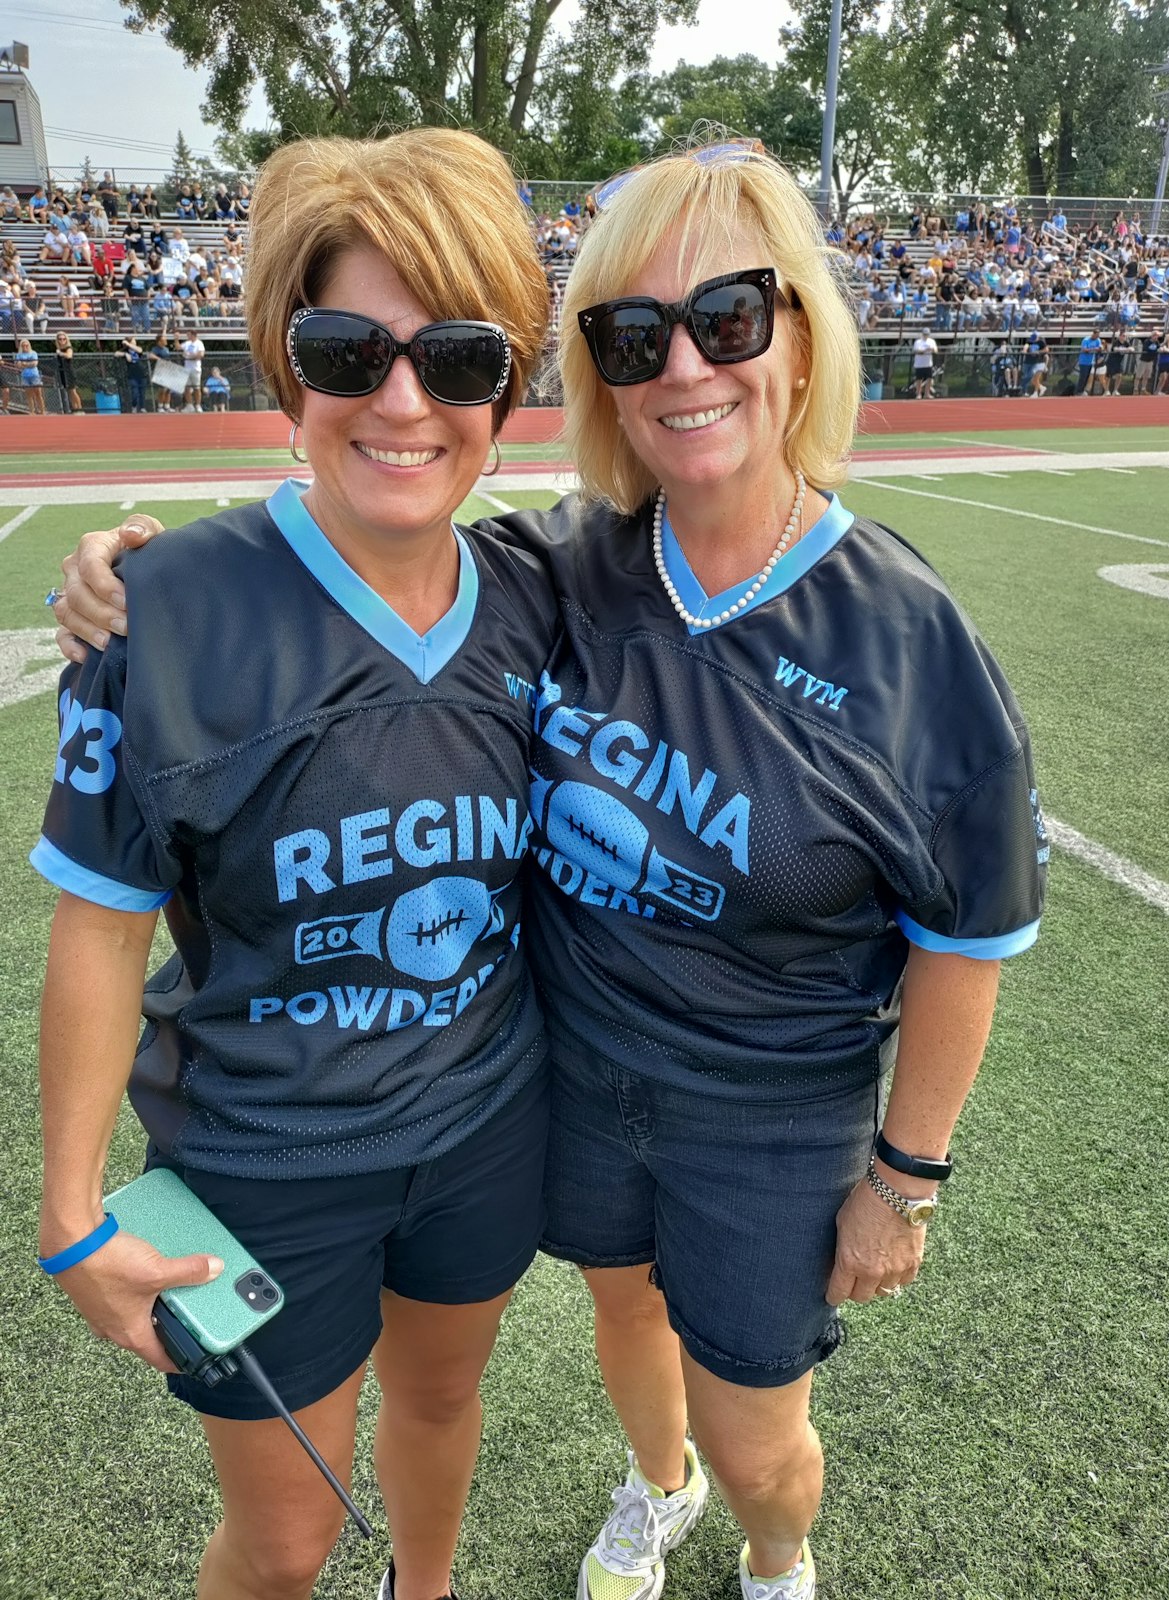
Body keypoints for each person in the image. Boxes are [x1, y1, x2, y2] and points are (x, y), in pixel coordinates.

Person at [54, 139, 1047, 1600]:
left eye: (730, 318)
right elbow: (114, 900)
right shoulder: (550, 572)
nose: (685, 365)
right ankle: (657, 1485)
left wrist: (904, 1176)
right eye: (633, 333)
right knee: (366, 1485)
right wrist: (127, 583)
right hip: (437, 1115)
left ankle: (747, 1555)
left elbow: (969, 929)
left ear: (802, 333)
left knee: (664, 1423)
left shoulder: (837, 628)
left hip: (662, 1119)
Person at [35, 128, 551, 1600]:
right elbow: (100, 926)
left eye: (457, 360)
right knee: (284, 1541)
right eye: (348, 348)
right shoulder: (166, 610)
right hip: (264, 1161)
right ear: (284, 364)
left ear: (505, 391)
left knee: (443, 1405)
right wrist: (72, 1211)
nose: (403, 401)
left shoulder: (541, 589)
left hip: (481, 1122)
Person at [13, 337, 45, 413]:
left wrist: (24, 364)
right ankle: (32, 411)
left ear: (29, 345)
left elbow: (34, 364)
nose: (25, 347)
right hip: (25, 376)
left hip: (34, 375)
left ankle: (42, 411)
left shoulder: (33, 353)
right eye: (23, 345)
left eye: (26, 345)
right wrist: (27, 364)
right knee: (29, 395)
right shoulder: (19, 355)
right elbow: (18, 365)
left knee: (38, 394)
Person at [54, 332, 83, 414]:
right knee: (69, 392)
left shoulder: (68, 348)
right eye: (60, 339)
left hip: (69, 372)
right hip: (63, 372)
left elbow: (69, 355)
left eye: (64, 339)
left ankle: (80, 409)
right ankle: (75, 409)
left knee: (73, 391)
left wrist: (61, 353)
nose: (62, 340)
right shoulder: (59, 349)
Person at [121, 337, 149, 413]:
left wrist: (128, 344)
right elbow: (116, 354)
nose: (135, 342)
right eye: (134, 341)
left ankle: (142, 407)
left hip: (142, 374)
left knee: (142, 392)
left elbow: (140, 350)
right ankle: (134, 406)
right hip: (132, 375)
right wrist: (125, 354)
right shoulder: (126, 351)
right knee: (135, 393)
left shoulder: (138, 349)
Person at [180, 331, 205, 410]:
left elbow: (200, 355)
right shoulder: (187, 343)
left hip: (195, 369)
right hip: (187, 368)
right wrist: (176, 339)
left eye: (189, 335)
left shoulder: (199, 343)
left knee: (196, 387)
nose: (187, 336)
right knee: (187, 388)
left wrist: (188, 356)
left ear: (193, 335)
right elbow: (178, 347)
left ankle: (198, 405)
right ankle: (189, 405)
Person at [911, 331, 938, 397]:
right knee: (919, 379)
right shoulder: (918, 342)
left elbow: (936, 351)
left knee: (929, 379)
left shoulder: (931, 341)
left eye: (927, 334)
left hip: (928, 364)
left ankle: (927, 393)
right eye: (925, 334)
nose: (926, 336)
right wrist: (925, 350)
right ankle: (918, 393)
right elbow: (916, 351)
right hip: (919, 364)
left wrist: (932, 350)